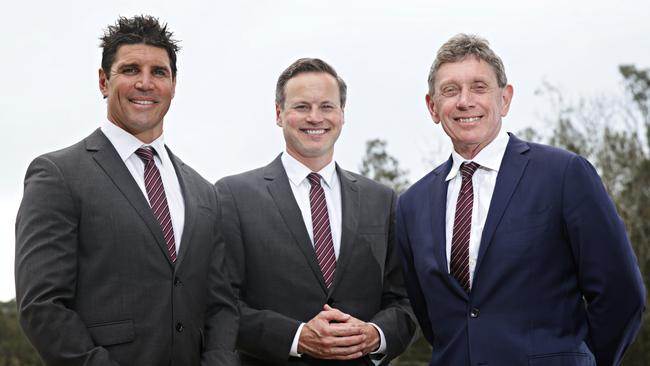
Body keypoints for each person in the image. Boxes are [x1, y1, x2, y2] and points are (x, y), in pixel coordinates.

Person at [396, 33, 646, 365]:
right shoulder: (412, 204)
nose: (465, 101)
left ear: (505, 99)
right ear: (432, 106)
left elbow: (620, 293)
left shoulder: (564, 175)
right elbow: (430, 316)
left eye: (479, 87)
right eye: (450, 90)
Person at [15, 15, 238, 365]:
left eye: (159, 73)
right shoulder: (57, 175)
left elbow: (221, 305)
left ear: (174, 85)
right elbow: (43, 306)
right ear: (104, 81)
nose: (145, 84)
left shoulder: (204, 192)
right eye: (131, 70)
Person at [216, 58, 416, 365]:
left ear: (341, 114)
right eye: (301, 107)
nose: (315, 117)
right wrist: (297, 337)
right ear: (279, 114)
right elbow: (220, 304)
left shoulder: (382, 199)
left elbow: (406, 300)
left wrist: (376, 334)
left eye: (326, 106)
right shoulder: (233, 195)